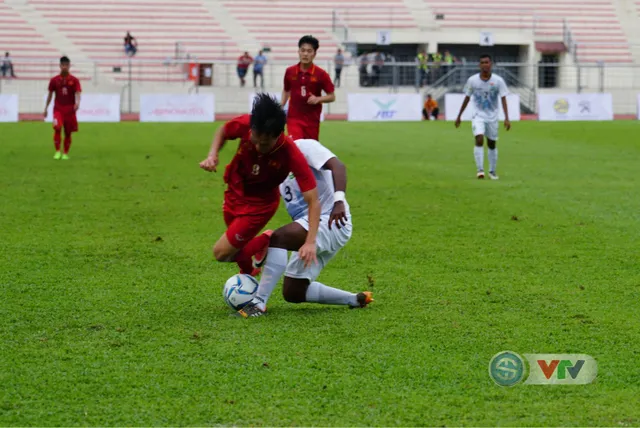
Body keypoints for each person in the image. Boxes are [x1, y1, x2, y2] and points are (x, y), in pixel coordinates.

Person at [237, 138, 373, 317]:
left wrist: (339, 200)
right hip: (310, 226)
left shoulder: (303, 147)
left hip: (333, 219)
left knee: (279, 238)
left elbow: (338, 166)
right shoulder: (271, 168)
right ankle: (354, 299)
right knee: (293, 292)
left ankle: (258, 303)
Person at [199, 94, 321, 276]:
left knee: (221, 253)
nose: (257, 146)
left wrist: (310, 242)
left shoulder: (290, 153)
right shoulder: (247, 124)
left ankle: (267, 239)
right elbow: (223, 131)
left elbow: (313, 200)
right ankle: (249, 273)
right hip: (234, 191)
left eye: (264, 144)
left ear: (278, 135)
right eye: (255, 139)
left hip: (259, 206)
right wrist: (212, 155)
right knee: (237, 250)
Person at [455, 54, 511, 180]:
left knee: (491, 143)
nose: (485, 65)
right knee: (479, 139)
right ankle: (480, 170)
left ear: (491, 64)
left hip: (492, 116)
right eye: (482, 63)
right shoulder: (472, 80)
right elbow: (467, 97)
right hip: (478, 115)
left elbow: (503, 98)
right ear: (479, 65)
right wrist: (459, 116)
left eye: (487, 62)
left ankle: (492, 171)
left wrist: (507, 118)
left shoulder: (498, 81)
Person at [281, 35, 335, 141]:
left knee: (310, 151)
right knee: (296, 146)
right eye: (303, 50)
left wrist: (318, 99)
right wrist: (281, 105)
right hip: (294, 118)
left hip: (312, 121)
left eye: (309, 51)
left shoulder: (321, 74)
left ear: (314, 53)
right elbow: (286, 90)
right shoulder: (290, 71)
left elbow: (332, 96)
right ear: (298, 52)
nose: (305, 54)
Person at [44, 56, 81, 160]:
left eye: (66, 65)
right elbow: (50, 95)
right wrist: (46, 108)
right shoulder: (54, 80)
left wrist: (77, 103)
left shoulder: (74, 80)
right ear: (60, 66)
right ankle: (57, 151)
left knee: (68, 132)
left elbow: (78, 92)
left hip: (70, 110)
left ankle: (65, 153)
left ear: (69, 66)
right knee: (57, 128)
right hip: (58, 109)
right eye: (63, 65)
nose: (64, 67)